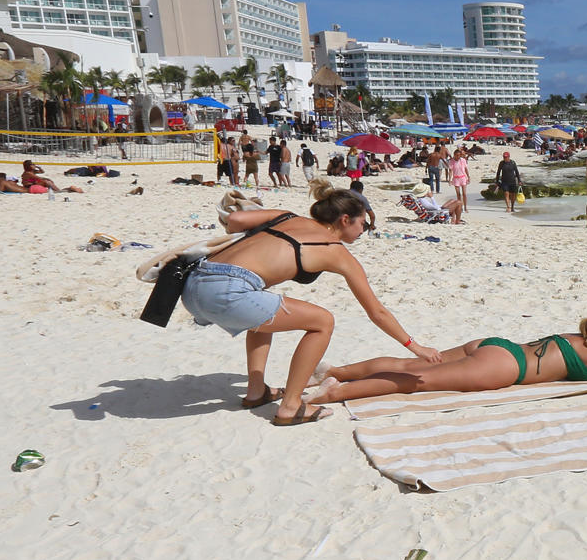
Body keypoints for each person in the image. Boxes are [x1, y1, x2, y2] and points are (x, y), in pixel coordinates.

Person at [181, 177, 441, 425]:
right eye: (364, 224)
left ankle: (256, 391)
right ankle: (291, 405)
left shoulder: (287, 217)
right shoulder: (336, 252)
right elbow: (377, 312)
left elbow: (236, 218)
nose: (365, 230)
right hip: (225, 293)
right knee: (323, 321)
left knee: (265, 312)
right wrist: (416, 347)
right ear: (345, 219)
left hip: (192, 285)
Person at [307, 306, 587, 406]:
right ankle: (335, 392)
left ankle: (335, 370)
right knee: (416, 381)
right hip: (505, 367)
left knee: (410, 364)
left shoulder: (581, 336)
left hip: (496, 345)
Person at [448, 147, 471, 223]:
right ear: (454, 155)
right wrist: (449, 179)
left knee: (464, 194)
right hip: (456, 178)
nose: (458, 156)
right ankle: (459, 207)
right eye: (456, 155)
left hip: (463, 178)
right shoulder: (451, 161)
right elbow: (450, 171)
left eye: (459, 155)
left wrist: (468, 177)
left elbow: (466, 169)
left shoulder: (463, 160)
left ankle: (465, 207)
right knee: (458, 194)